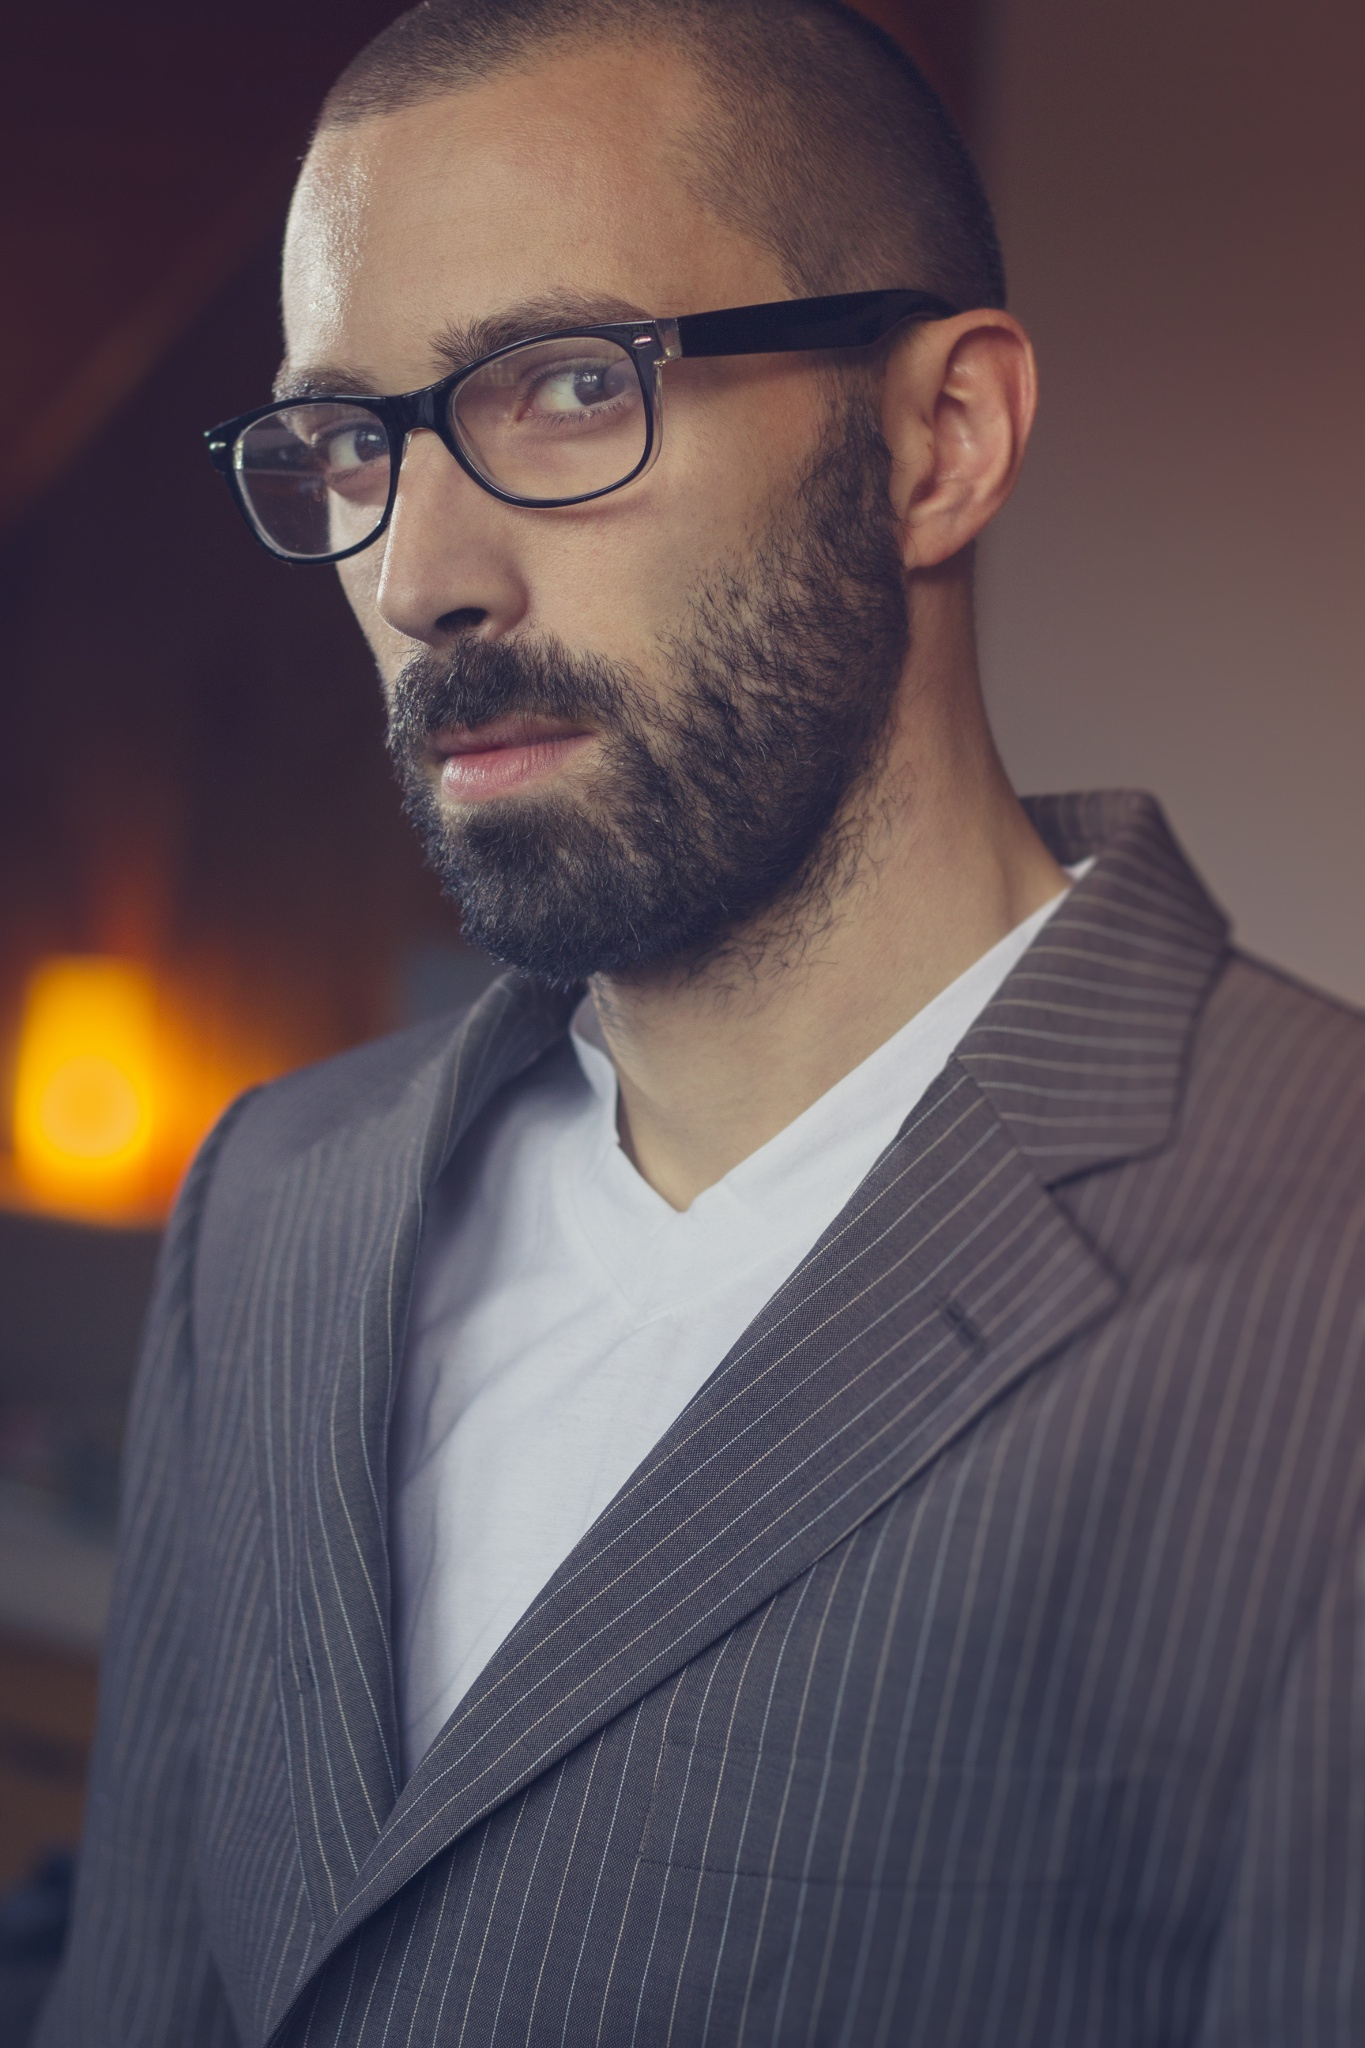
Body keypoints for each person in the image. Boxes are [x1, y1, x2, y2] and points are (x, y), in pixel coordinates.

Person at [38, 1, 1365, 2042]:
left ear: (939, 441)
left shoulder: (1321, 1271)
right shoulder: (274, 1201)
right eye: (349, 443)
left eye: (569, 386)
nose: (420, 576)